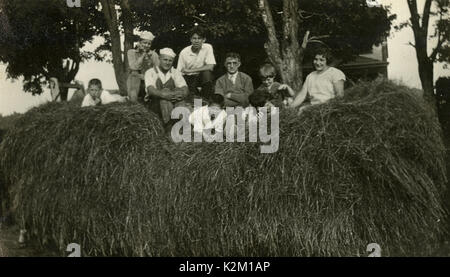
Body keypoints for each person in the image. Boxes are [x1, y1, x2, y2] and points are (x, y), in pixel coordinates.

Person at [145, 48, 189, 126]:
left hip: (172, 101)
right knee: (165, 96)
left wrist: (179, 94)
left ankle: (180, 124)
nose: (167, 63)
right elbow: (150, 90)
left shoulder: (175, 72)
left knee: (179, 95)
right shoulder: (150, 72)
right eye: (165, 60)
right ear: (159, 59)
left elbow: (185, 89)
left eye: (170, 61)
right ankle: (169, 126)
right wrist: (164, 95)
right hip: (155, 103)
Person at [177, 28, 216, 100]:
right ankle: (197, 100)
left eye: (199, 38)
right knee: (195, 99)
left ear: (204, 40)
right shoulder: (184, 52)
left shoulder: (208, 47)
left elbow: (210, 66)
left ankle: (206, 98)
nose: (196, 41)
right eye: (194, 38)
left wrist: (189, 70)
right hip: (189, 78)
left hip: (201, 77)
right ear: (190, 40)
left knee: (207, 74)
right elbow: (180, 72)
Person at [127, 31, 159, 102]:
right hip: (135, 79)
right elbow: (134, 67)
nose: (147, 45)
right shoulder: (131, 52)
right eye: (145, 43)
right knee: (133, 92)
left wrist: (146, 76)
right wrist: (143, 54)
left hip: (148, 79)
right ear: (139, 43)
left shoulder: (154, 55)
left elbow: (157, 71)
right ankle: (133, 102)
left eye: (149, 44)